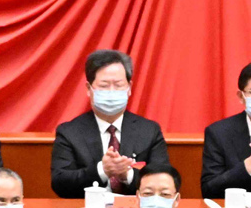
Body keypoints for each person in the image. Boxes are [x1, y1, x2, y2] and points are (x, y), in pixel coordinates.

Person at [49, 48, 170, 197]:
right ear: (89, 89)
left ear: (129, 88)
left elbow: (163, 180)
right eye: (104, 86)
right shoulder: (69, 132)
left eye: (118, 85)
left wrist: (127, 174)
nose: (112, 91)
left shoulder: (149, 130)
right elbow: (60, 183)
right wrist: (102, 170)